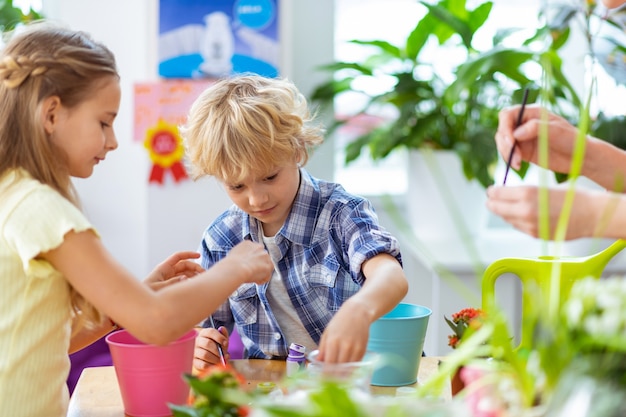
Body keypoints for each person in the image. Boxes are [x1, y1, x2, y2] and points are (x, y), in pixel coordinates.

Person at [0, 24, 273, 417]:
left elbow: (54, 338)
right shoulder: (42, 210)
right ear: (53, 114)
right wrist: (235, 268)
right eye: (104, 122)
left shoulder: (12, 193)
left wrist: (140, 296)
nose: (112, 141)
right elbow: (158, 324)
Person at [182, 74, 409, 367]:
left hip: (351, 381)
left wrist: (360, 309)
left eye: (270, 177)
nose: (256, 199)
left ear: (298, 150)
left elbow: (391, 276)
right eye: (237, 186)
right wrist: (202, 343)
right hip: (271, 389)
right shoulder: (222, 238)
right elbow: (208, 326)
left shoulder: (340, 213)